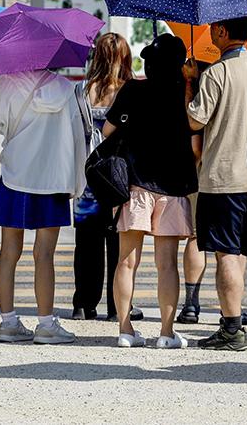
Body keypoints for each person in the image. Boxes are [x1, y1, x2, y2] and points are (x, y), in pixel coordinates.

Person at [185, 15, 247, 351]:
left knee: (227, 255)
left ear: (223, 31)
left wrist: (190, 82)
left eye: (214, 27)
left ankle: (231, 329)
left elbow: (195, 119)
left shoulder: (216, 73)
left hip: (222, 178)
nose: (211, 32)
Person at [105, 34, 197, 348]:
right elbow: (196, 140)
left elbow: (107, 131)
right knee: (167, 264)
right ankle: (167, 332)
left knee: (126, 262)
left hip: (134, 185)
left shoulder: (133, 89)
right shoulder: (186, 93)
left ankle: (125, 329)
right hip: (172, 188)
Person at [0, 66, 87, 344]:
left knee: (8, 251)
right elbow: (76, 135)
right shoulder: (65, 88)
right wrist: (76, 181)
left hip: (15, 173)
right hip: (52, 177)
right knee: (44, 254)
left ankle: (8, 322)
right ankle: (46, 323)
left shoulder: (6, 80)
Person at [71, 33, 137, 322]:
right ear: (125, 58)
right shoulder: (129, 91)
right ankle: (117, 305)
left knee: (86, 244)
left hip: (87, 175)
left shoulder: (81, 91)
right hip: (119, 176)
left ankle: (83, 304)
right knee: (119, 244)